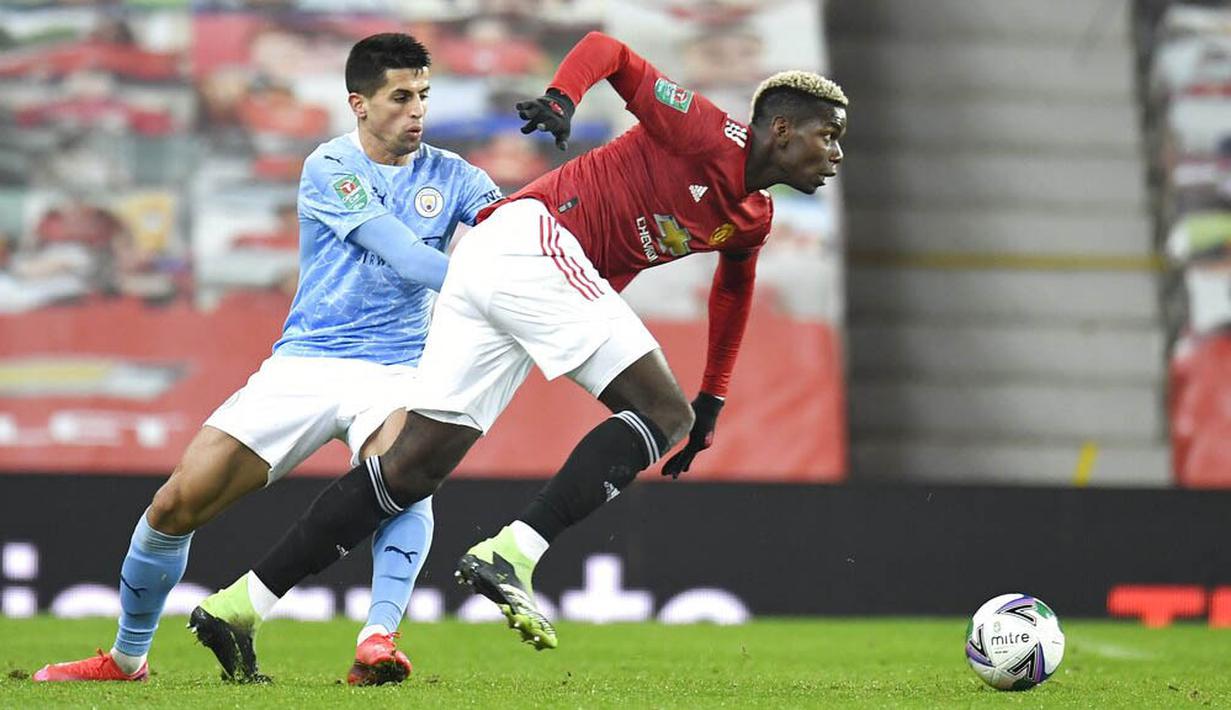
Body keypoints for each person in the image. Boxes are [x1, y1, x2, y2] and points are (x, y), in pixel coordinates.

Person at [195, 29, 847, 655]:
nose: (836, 154)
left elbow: (732, 294)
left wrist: (713, 399)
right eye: (828, 135)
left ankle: (240, 604)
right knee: (660, 414)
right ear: (781, 131)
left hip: (496, 269)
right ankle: (513, 551)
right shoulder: (704, 129)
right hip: (531, 242)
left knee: (411, 469)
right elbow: (608, 51)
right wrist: (562, 98)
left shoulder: (752, 219)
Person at [32, 32, 501, 685]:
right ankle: (127, 658)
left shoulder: (456, 176)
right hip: (306, 363)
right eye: (400, 96)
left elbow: (516, 234)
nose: (416, 109)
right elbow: (403, 256)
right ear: (358, 104)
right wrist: (497, 288)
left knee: (404, 475)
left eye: (423, 94)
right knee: (174, 506)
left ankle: (377, 641)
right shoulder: (330, 166)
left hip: (396, 368)